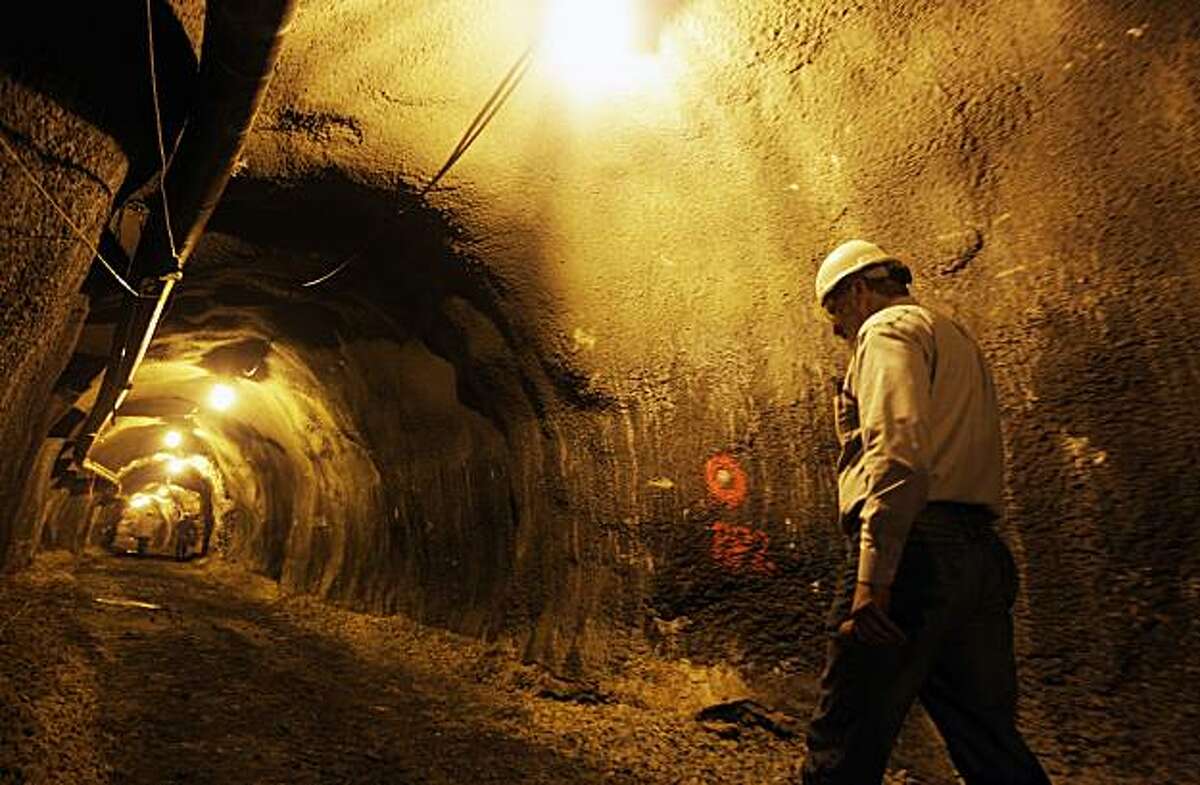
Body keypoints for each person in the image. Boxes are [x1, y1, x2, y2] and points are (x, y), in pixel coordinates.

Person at [802, 239, 1050, 784]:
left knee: (844, 734)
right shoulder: (955, 337)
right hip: (979, 556)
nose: (837, 330)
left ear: (860, 289)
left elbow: (897, 454)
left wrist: (873, 577)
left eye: (835, 311)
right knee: (986, 739)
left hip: (915, 554)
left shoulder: (886, 331)